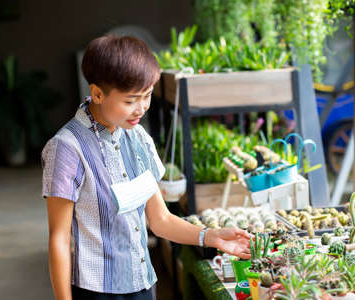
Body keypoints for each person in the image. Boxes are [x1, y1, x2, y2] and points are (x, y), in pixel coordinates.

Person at [41, 35, 252, 300]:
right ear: (97, 93)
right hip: (97, 292)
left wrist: (212, 237)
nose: (141, 108)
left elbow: (160, 220)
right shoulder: (67, 148)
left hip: (142, 285)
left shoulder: (138, 137)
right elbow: (59, 239)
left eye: (148, 95)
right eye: (130, 100)